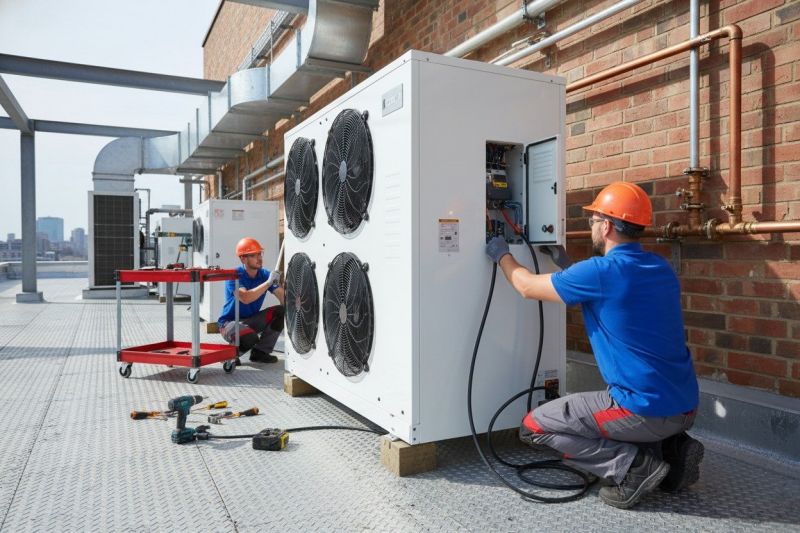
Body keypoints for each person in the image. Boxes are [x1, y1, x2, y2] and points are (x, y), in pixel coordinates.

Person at [485, 181, 704, 509]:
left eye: (594, 219)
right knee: (634, 418)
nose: (591, 225)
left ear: (607, 226)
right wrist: (568, 267)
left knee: (533, 427)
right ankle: (672, 451)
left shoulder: (600, 272)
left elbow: (526, 286)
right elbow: (614, 295)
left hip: (641, 411)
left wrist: (501, 253)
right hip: (685, 407)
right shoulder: (660, 268)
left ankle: (632, 467)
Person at [218, 237, 285, 364]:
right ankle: (230, 355)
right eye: (254, 255)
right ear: (243, 258)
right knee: (250, 338)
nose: (259, 258)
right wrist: (268, 283)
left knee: (281, 311)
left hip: (252, 320)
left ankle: (260, 352)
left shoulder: (265, 275)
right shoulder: (234, 276)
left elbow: (283, 299)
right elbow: (245, 298)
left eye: (260, 254)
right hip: (230, 323)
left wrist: (280, 285)